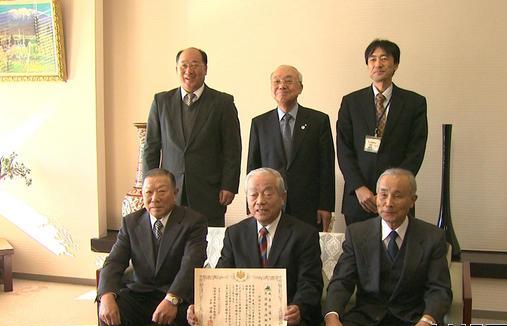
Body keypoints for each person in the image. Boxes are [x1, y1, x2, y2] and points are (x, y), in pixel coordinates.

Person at [187, 168, 324, 326]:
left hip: (285, 318)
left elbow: (310, 282)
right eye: (253, 194)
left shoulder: (304, 234)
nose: (260, 201)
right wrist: (203, 305)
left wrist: (298, 308)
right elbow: (221, 277)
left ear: (282, 197)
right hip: (245, 316)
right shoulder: (234, 234)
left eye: (268, 193)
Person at [322, 168, 451, 326]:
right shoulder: (357, 234)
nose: (389, 203)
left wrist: (428, 320)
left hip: (412, 318)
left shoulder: (432, 237)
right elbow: (342, 281)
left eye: (398, 196)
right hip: (367, 316)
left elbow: (439, 289)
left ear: (412, 200)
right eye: (383, 194)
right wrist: (331, 317)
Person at [97, 168, 207, 326]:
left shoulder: (193, 222)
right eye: (148, 192)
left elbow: (191, 264)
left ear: (175, 193)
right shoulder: (131, 222)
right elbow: (115, 261)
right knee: (110, 314)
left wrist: (172, 299)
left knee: (187, 321)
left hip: (177, 296)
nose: (154, 198)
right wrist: (106, 295)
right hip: (140, 294)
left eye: (162, 191)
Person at [143, 47, 241, 227]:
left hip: (209, 192)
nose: (189, 71)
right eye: (184, 65)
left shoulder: (222, 103)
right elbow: (151, 147)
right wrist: (148, 188)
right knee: (170, 246)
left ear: (205, 69)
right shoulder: (161, 102)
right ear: (176, 69)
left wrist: (229, 185)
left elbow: (232, 149)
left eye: (195, 65)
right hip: (169, 192)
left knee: (208, 245)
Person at [337, 39, 428, 225]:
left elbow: (416, 150)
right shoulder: (351, 102)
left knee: (397, 250)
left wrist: (392, 191)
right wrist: (359, 187)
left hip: (397, 199)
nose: (378, 64)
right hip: (360, 199)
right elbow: (343, 149)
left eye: (384, 58)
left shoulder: (414, 103)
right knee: (359, 249)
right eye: (372, 59)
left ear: (395, 64)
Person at [247, 65, 335, 231]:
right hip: (269, 204)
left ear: (300, 87)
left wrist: (326, 205)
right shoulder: (260, 123)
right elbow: (253, 167)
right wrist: (251, 205)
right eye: (277, 81)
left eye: (288, 81)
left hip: (308, 205)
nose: (282, 85)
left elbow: (326, 167)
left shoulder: (319, 121)